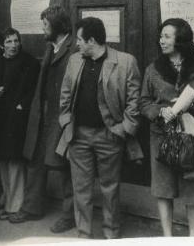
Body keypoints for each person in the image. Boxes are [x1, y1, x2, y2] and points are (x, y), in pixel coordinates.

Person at [58, 17, 141, 239]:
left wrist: (124, 128)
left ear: (92, 41)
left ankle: (110, 234)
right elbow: (65, 94)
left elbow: (135, 101)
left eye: (79, 40)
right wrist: (66, 121)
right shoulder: (75, 60)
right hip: (78, 135)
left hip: (110, 135)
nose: (76, 44)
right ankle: (83, 234)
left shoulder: (125, 62)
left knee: (110, 188)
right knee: (81, 189)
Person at [138, 18, 194, 237]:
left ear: (180, 39)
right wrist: (159, 111)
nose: (161, 40)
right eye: (161, 36)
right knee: (164, 188)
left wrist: (190, 104)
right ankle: (168, 238)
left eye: (167, 36)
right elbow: (144, 102)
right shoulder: (152, 70)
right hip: (162, 135)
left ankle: (192, 238)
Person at [10, 5, 77, 234]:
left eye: (45, 25)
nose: (42, 30)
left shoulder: (75, 47)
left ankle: (69, 215)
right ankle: (31, 207)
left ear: (58, 26)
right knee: (36, 161)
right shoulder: (50, 46)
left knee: (67, 165)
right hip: (43, 114)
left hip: (62, 116)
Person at [0, 28, 40, 221]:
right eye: (9, 42)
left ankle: (15, 205)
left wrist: (22, 105)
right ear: (2, 45)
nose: (13, 45)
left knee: (15, 161)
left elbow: (33, 90)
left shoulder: (29, 62)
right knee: (3, 159)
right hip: (1, 116)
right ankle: (6, 196)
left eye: (16, 41)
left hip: (18, 117)